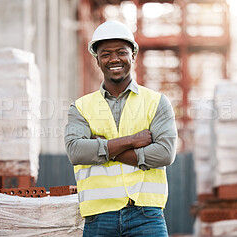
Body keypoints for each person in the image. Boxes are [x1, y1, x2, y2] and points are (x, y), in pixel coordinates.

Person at [65, 20, 177, 237]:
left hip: (147, 215)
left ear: (133, 55)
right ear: (97, 60)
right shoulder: (80, 107)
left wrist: (102, 148)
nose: (114, 59)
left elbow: (165, 153)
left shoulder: (157, 102)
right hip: (99, 216)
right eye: (105, 54)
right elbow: (75, 151)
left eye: (121, 52)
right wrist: (132, 140)